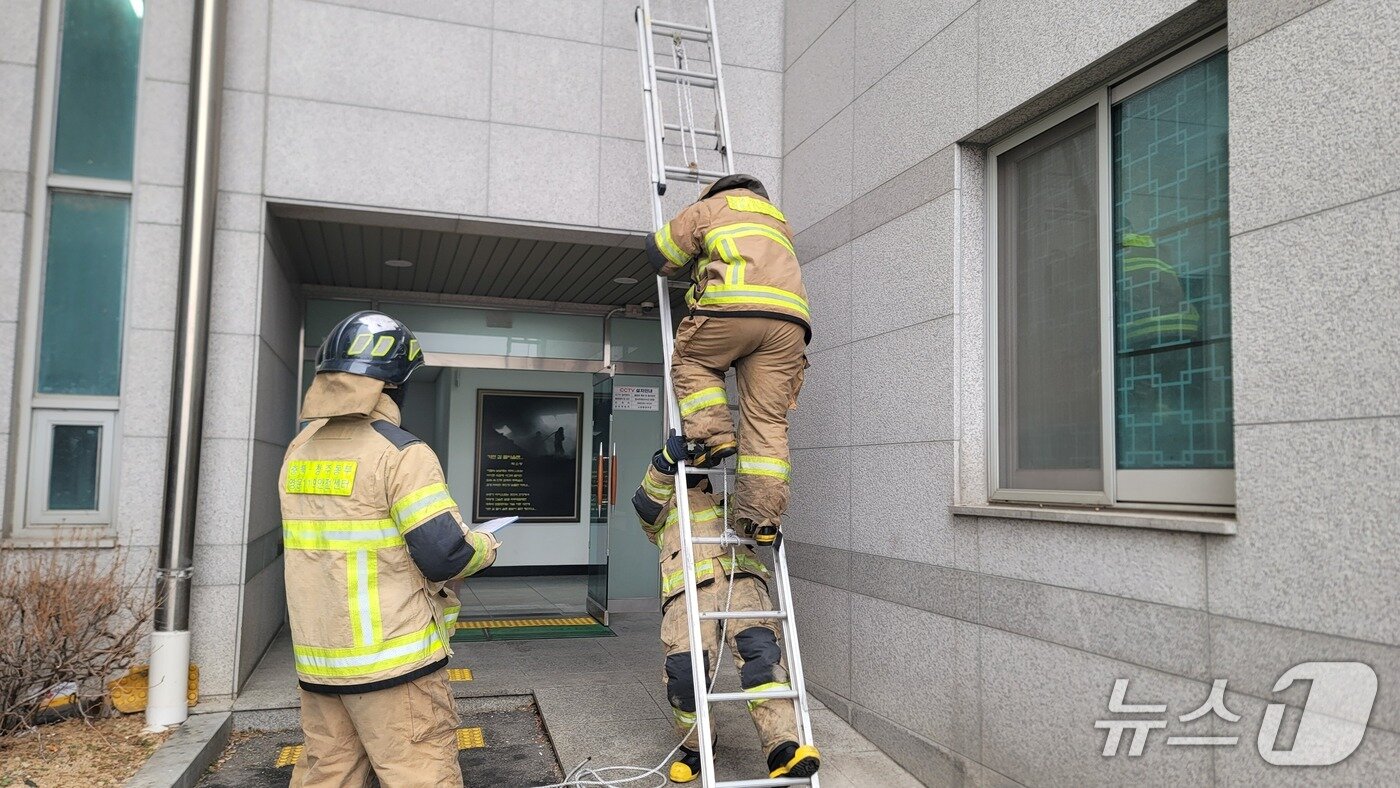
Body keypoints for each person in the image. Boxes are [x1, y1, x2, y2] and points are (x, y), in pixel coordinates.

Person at [280, 311, 499, 788]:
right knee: (420, 774)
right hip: (394, 667)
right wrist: (485, 545)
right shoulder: (400, 453)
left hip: (320, 664)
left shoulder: (299, 450)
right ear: (395, 385)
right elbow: (445, 555)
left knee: (328, 775)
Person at [632, 438, 821, 784]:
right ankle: (697, 748)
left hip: (742, 585)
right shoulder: (664, 510)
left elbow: (759, 515)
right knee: (684, 675)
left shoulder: (727, 502)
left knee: (762, 659)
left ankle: (783, 747)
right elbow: (645, 504)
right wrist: (662, 464)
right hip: (687, 594)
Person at [645, 174, 809, 546]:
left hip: (730, 309)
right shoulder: (780, 221)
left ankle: (712, 439)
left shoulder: (709, 208)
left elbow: (661, 255)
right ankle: (760, 518)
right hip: (789, 326)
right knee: (766, 420)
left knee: (692, 362)